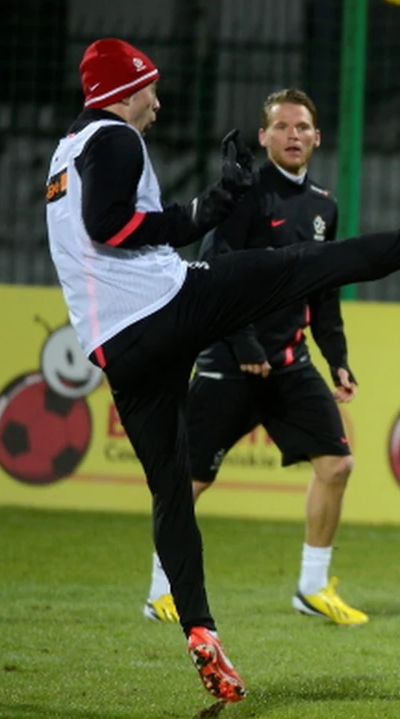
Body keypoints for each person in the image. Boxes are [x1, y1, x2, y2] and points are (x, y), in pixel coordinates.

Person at [45, 38, 400, 703]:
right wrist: (201, 212)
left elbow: (94, 232)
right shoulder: (116, 138)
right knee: (311, 265)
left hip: (113, 347)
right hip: (164, 304)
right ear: (129, 87)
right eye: (151, 88)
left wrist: (205, 206)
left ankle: (202, 631)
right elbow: (111, 227)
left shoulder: (65, 152)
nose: (157, 102)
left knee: (173, 490)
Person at [143, 89, 369, 628]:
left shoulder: (323, 205)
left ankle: (311, 588)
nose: (294, 135)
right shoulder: (244, 195)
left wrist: (336, 357)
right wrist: (243, 345)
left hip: (289, 363)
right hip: (228, 359)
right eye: (283, 126)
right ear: (264, 137)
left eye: (304, 127)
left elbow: (325, 290)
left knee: (337, 464)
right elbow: (215, 271)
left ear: (316, 137)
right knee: (189, 481)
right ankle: (160, 591)